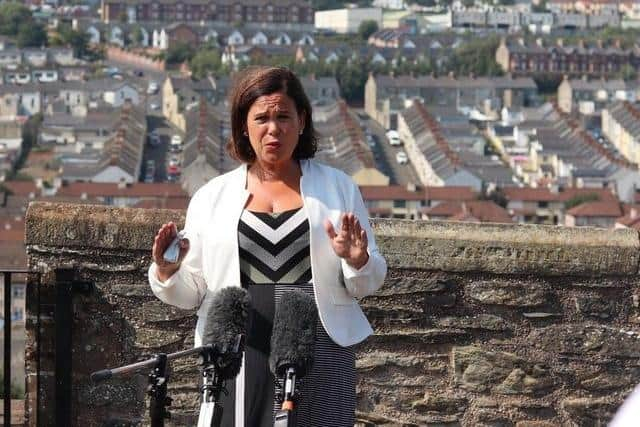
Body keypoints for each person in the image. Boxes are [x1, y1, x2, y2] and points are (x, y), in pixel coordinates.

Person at [148, 66, 387, 427]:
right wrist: (167, 271)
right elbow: (192, 293)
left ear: (302, 120)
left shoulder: (338, 188)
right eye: (261, 118)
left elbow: (366, 283)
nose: (273, 128)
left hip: (318, 340)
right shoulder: (211, 197)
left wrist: (359, 260)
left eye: (283, 116)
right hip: (239, 345)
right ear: (244, 125)